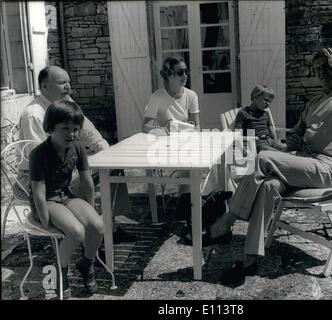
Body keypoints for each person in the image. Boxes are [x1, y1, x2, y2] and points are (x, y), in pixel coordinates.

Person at [188, 48, 332, 287]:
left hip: (329, 170)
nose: (320, 73)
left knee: (263, 158)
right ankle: (249, 260)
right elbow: (293, 139)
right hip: (303, 163)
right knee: (268, 185)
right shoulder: (314, 102)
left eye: (325, 67)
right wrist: (278, 147)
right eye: (316, 69)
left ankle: (225, 223)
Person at [17, 66, 134, 243]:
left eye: (69, 82)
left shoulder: (67, 106)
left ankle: (110, 227)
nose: (68, 87)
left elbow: (89, 133)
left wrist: (105, 151)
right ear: (45, 86)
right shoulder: (34, 114)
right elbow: (44, 161)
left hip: (62, 171)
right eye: (62, 83)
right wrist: (80, 159)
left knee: (112, 167)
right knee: (98, 173)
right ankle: (91, 231)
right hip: (36, 181)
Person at [29, 100, 104, 298]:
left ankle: (86, 264)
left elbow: (87, 182)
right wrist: (45, 222)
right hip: (48, 201)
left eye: (75, 129)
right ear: (50, 128)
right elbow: (38, 190)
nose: (71, 134)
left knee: (97, 226)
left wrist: (90, 209)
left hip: (66, 195)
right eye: (65, 129)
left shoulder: (78, 148)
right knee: (77, 231)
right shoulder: (39, 154)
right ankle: (60, 270)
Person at [142, 55, 201, 135]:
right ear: (169, 75)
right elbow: (145, 127)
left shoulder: (191, 95)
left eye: (186, 71)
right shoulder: (157, 97)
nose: (185, 76)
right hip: (165, 142)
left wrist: (193, 133)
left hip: (186, 140)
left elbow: (197, 125)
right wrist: (161, 129)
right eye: (180, 72)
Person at [234, 85, 286, 153]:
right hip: (256, 144)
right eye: (266, 100)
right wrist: (242, 148)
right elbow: (237, 133)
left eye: (270, 102)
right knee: (277, 153)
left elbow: (272, 131)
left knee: (289, 149)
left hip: (269, 141)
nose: (268, 104)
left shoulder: (265, 114)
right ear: (255, 97)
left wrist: (276, 143)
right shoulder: (243, 113)